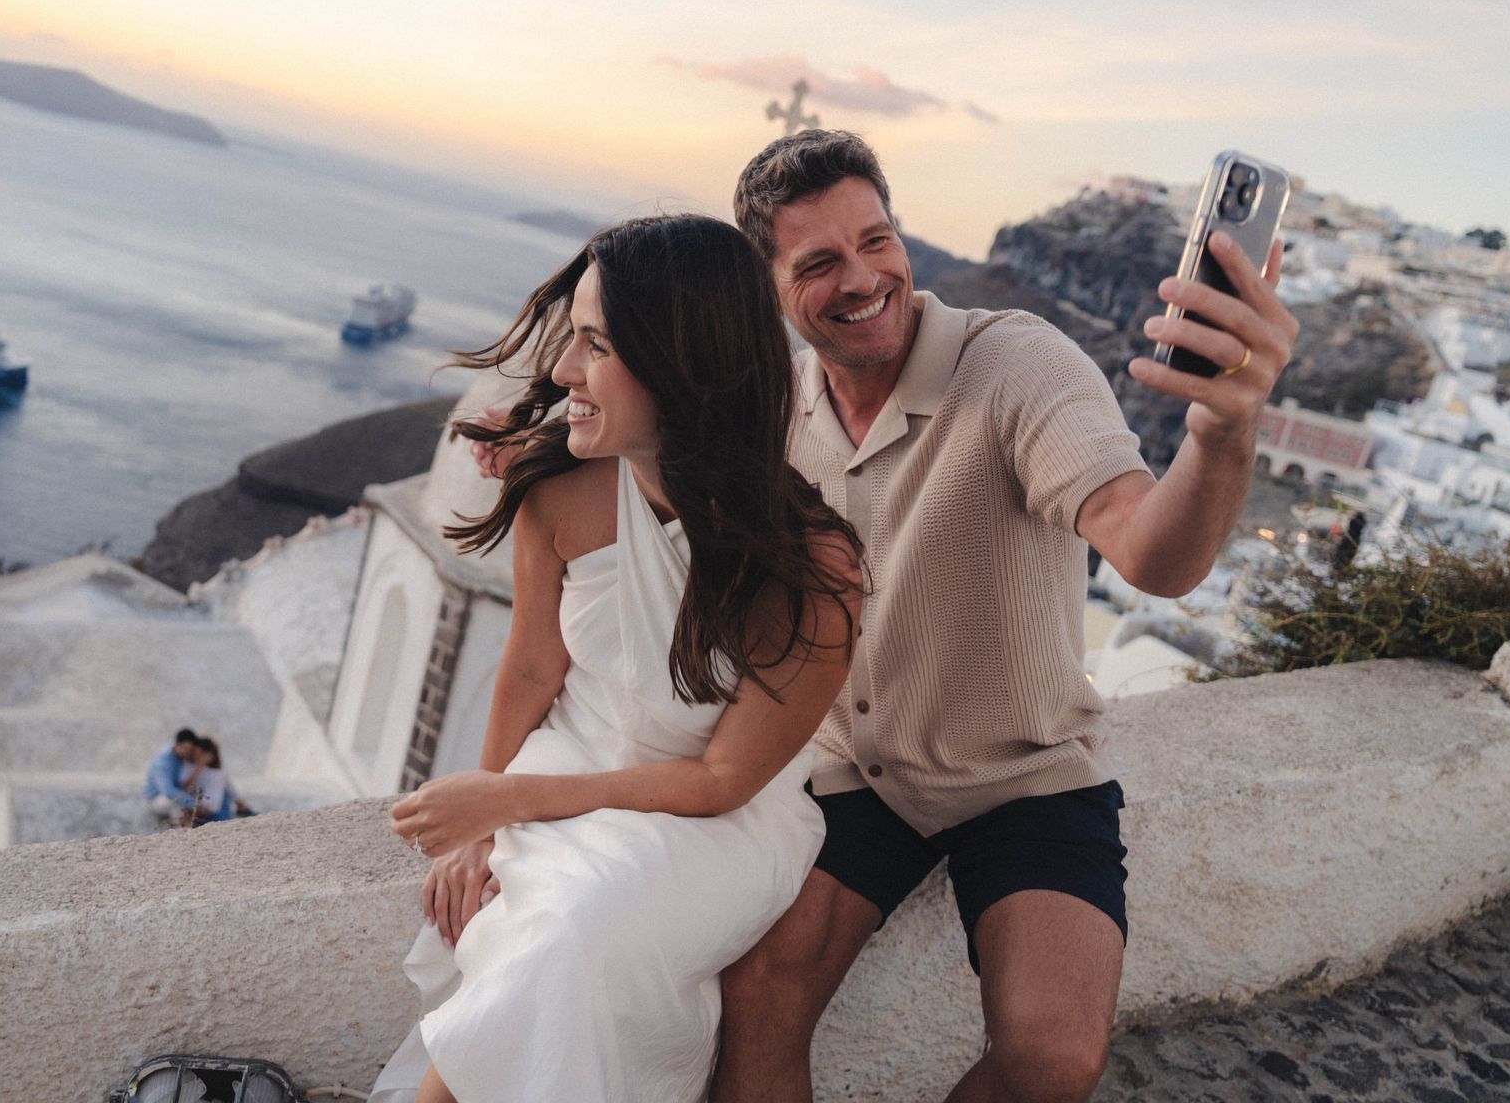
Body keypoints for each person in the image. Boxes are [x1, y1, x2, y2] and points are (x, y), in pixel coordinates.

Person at [706, 131, 1299, 1103]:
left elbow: (1152, 553)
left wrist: (1224, 426)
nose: (862, 277)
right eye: (818, 262)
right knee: (758, 995)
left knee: (1054, 1055)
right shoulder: (778, 411)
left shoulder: (1020, 362)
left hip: (1026, 773)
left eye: (876, 239)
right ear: (765, 286)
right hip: (858, 769)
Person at [370, 215, 866, 1103]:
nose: (562, 373)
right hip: (572, 752)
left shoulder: (813, 571)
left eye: (595, 345)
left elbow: (722, 779)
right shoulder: (555, 484)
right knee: (556, 935)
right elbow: (531, 665)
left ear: (687, 365)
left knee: (572, 929)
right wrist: (481, 819)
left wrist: (512, 801)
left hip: (717, 821)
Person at [144, 728, 200, 825]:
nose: (188, 752)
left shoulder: (181, 756)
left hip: (177, 793)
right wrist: (193, 804)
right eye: (186, 749)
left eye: (190, 750)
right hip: (156, 798)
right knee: (174, 801)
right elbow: (168, 790)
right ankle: (182, 830)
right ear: (177, 745)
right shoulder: (162, 762)